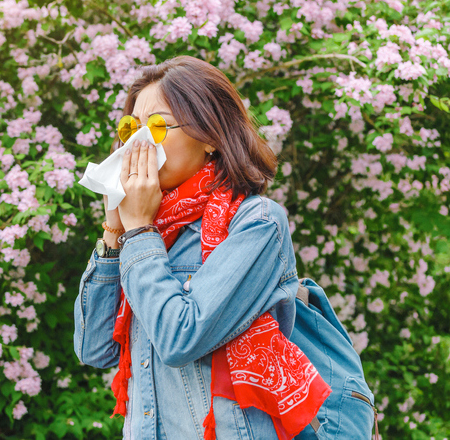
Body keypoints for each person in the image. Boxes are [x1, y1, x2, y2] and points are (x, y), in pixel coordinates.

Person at [73, 56, 330, 440]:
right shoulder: (149, 231)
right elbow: (94, 349)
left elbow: (181, 338)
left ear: (210, 135)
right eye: (131, 128)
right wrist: (115, 229)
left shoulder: (255, 222)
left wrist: (140, 230)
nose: (139, 143)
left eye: (158, 126)